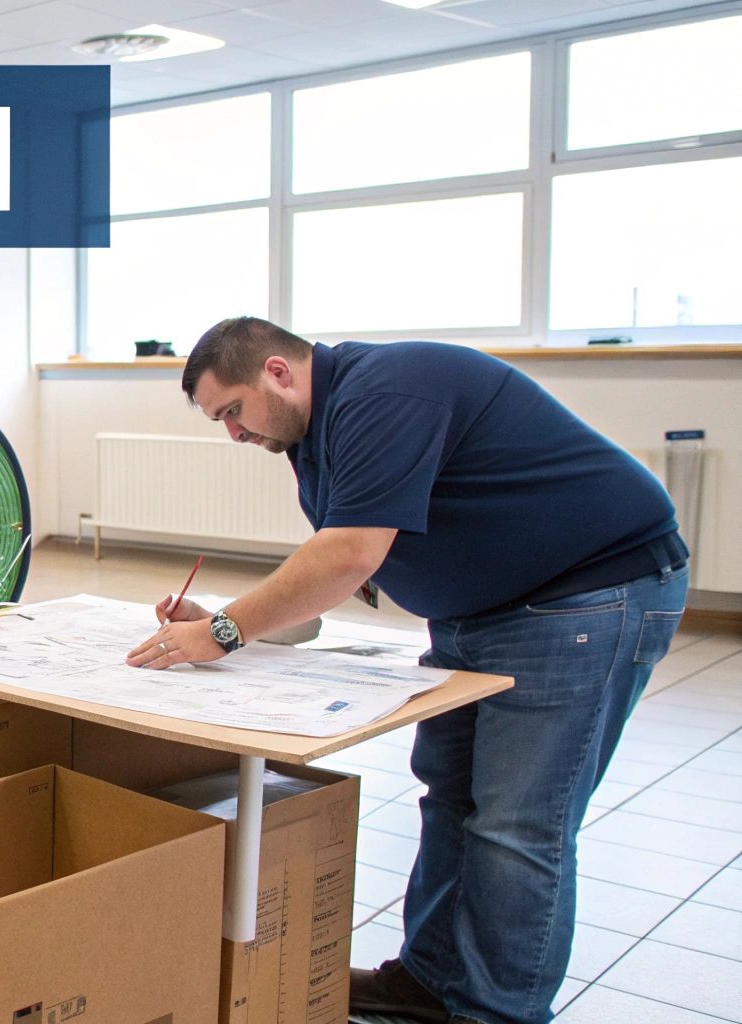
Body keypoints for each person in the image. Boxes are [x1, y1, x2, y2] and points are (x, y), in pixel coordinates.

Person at [123, 317, 687, 1024]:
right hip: (484, 612)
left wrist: (225, 631)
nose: (234, 435)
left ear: (277, 371)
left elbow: (348, 556)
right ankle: (426, 984)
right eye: (220, 422)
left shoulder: (385, 392)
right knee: (449, 796)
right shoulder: (312, 443)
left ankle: (496, 1011)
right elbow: (331, 587)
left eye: (232, 411)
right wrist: (215, 619)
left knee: (517, 823)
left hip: (588, 595)